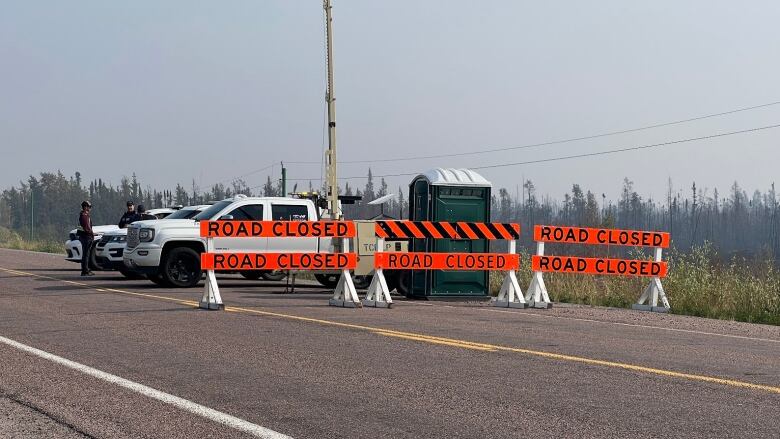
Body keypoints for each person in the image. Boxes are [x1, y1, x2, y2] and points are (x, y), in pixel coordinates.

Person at [76, 200, 95, 276]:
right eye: (89, 207)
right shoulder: (84, 216)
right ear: (85, 207)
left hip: (84, 236)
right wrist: (92, 234)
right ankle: (85, 270)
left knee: (85, 254)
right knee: (86, 254)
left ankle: (85, 269)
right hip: (86, 237)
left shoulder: (82, 215)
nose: (90, 209)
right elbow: (87, 228)